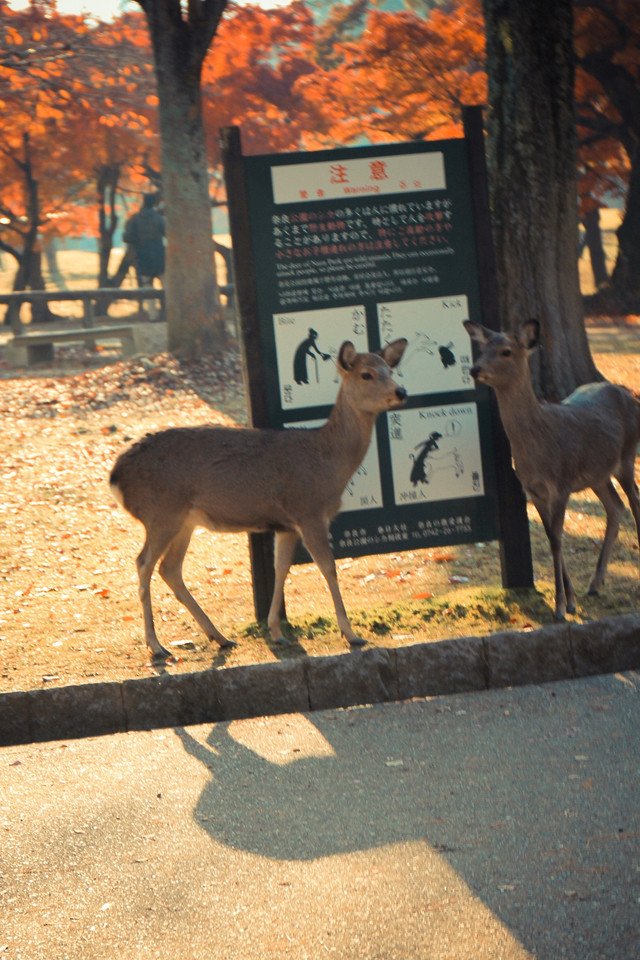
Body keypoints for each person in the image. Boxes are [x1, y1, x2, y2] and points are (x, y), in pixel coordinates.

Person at [123, 194, 165, 319]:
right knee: (166, 285)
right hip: (159, 255)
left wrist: (137, 241)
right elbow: (168, 233)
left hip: (143, 255)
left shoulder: (135, 219)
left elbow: (127, 237)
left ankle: (153, 315)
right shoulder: (159, 219)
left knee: (147, 286)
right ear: (154, 204)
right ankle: (167, 312)